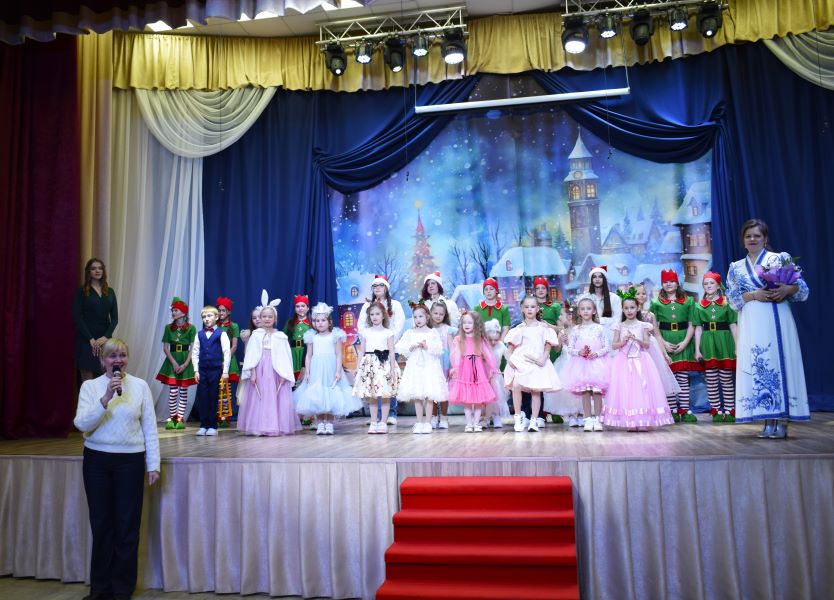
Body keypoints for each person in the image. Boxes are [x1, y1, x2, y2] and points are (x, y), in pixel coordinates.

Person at [73, 338, 160, 600]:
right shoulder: (90, 387)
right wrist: (105, 398)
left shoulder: (140, 386)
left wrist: (153, 464)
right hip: (97, 462)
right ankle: (100, 589)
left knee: (127, 526)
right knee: (101, 525)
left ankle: (122, 590)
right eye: (112, 356)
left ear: (127, 359)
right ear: (103, 361)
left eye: (122, 355)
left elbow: (149, 427)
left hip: (130, 461)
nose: (117, 360)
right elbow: (82, 424)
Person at [726, 218, 810, 438]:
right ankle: (767, 418)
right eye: (748, 236)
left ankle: (782, 419)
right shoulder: (736, 267)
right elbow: (732, 300)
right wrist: (754, 294)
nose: (752, 239)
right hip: (752, 322)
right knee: (759, 363)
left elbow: (802, 290)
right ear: (743, 240)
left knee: (779, 361)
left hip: (777, 318)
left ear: (765, 239)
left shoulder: (779, 259)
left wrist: (787, 289)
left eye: (757, 235)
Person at [601, 290, 675, 431]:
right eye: (626, 308)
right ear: (622, 310)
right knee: (627, 390)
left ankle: (643, 421)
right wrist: (623, 341)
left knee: (642, 389)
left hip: (641, 360)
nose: (629, 311)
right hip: (623, 362)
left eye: (632, 307)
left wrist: (637, 339)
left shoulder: (643, 325)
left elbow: (646, 345)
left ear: (637, 308)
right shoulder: (619, 326)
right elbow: (614, 345)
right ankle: (630, 421)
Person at [294, 302, 361, 435]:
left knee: (331, 396)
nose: (320, 323)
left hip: (331, 368)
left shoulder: (335, 336)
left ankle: (329, 424)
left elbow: (338, 354)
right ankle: (320, 424)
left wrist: (338, 371)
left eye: (323, 320)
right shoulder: (312, 336)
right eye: (317, 321)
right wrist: (307, 372)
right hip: (316, 369)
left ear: (329, 322)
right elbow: (308, 356)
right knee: (318, 396)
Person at [239, 292, 299, 436]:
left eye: (270, 316)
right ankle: (259, 426)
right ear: (260, 318)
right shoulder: (256, 335)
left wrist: (284, 373)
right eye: (264, 316)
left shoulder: (280, 336)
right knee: (260, 397)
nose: (267, 319)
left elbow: (285, 357)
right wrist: (252, 372)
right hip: (260, 369)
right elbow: (251, 356)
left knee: (274, 397)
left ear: (275, 319)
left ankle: (273, 425)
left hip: (275, 370)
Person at [650, 269, 702, 423]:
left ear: (677, 283)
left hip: (683, 339)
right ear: (662, 284)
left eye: (671, 281)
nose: (668, 284)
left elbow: (692, 324)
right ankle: (672, 409)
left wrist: (685, 343)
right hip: (665, 340)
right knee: (668, 377)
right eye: (665, 282)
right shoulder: (656, 302)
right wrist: (663, 344)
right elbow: (654, 327)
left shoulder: (688, 301)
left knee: (683, 377)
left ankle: (685, 409)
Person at [504, 296, 562, 432]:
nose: (530, 309)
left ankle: (534, 420)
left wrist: (544, 357)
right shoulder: (518, 328)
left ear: (537, 309)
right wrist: (511, 360)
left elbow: (547, 345)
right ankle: (518, 417)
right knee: (516, 385)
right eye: (527, 307)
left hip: (537, 362)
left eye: (532, 306)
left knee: (536, 390)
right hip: (521, 362)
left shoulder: (543, 327)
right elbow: (510, 349)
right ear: (522, 309)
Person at [558, 296, 611, 432]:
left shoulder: (599, 328)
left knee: (597, 391)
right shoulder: (576, 329)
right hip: (581, 364)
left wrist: (597, 353)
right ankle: (587, 419)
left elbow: (607, 347)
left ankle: (597, 419)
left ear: (594, 311)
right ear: (579, 312)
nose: (586, 311)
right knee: (585, 391)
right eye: (582, 309)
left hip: (597, 363)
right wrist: (579, 352)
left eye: (588, 308)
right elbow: (570, 349)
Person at [357, 275, 405, 425]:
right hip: (371, 349)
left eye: (380, 285)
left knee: (388, 381)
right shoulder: (367, 306)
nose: (377, 288)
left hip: (389, 347)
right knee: (373, 382)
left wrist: (388, 341)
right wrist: (370, 338)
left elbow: (399, 325)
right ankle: (376, 417)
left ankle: (391, 414)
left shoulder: (395, 305)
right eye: (375, 286)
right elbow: (361, 326)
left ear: (386, 288)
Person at [395, 302, 447, 434]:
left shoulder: (432, 332)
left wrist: (427, 346)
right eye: (415, 317)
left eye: (421, 316)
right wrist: (411, 347)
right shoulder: (410, 333)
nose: (418, 319)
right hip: (415, 367)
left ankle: (428, 422)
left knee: (429, 395)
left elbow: (439, 349)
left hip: (429, 366)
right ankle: (418, 422)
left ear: (427, 317)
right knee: (417, 395)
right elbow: (400, 347)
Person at [693, 272, 738, 423]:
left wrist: (737, 346)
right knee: (711, 379)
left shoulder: (726, 303)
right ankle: (716, 410)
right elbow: (698, 328)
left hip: (724, 341)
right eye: (706, 283)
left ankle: (730, 410)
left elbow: (733, 325)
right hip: (708, 342)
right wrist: (697, 350)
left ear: (718, 285)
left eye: (711, 283)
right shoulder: (699, 306)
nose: (708, 286)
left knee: (726, 378)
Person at [352, 301, 400, 434]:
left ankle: (383, 422)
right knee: (372, 396)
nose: (375, 317)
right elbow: (361, 351)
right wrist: (358, 367)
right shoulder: (365, 332)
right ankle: (373, 422)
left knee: (385, 395)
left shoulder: (388, 332)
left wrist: (392, 368)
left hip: (384, 364)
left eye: (377, 314)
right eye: (372, 314)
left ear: (383, 315)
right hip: (369, 365)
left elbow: (392, 351)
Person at [448, 311, 498, 432]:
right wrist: (455, 367)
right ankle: (469, 424)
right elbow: (455, 354)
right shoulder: (459, 339)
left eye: (470, 322)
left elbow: (488, 354)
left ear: (476, 324)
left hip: (478, 371)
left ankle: (476, 423)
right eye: (464, 322)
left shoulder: (480, 339)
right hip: (465, 370)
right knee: (467, 400)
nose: (466, 325)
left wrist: (493, 367)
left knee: (478, 400)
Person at [73, 258, 118, 381]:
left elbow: (115, 319)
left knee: (105, 378)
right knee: (88, 382)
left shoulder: (110, 292)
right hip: (86, 341)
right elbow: (78, 317)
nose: (97, 271)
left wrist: (106, 337)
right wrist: (90, 339)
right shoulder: (81, 291)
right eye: (93, 268)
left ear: (103, 271)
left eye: (100, 268)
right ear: (88, 272)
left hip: (105, 340)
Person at [155, 297, 197, 431]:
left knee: (183, 391)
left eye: (176, 310)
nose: (173, 312)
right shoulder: (168, 328)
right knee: (173, 392)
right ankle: (172, 417)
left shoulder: (191, 328)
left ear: (184, 313)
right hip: (172, 360)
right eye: (172, 310)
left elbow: (193, 348)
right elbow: (165, 348)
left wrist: (185, 364)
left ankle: (180, 418)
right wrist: (173, 362)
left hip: (185, 360)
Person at [635, 283, 682, 399]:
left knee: (652, 377)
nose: (641, 296)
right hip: (635, 347)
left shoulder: (650, 315)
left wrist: (664, 354)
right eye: (638, 293)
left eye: (643, 293)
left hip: (651, 348)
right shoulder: (630, 314)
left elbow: (657, 335)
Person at [191, 305, 231, 436]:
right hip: (202, 370)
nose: (206, 319)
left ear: (216, 317)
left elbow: (227, 353)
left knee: (213, 396)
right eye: (204, 317)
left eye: (209, 316)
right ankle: (203, 425)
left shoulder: (221, 333)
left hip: (215, 370)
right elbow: (195, 353)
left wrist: (225, 371)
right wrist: (196, 370)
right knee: (203, 397)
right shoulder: (199, 334)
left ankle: (213, 426)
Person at [428, 301, 456, 430]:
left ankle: (444, 417)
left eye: (441, 314)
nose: (438, 316)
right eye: (435, 313)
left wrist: (453, 365)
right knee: (432, 391)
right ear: (430, 313)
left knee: (444, 391)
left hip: (444, 363)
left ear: (445, 315)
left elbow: (452, 349)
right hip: (431, 362)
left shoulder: (447, 329)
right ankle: (433, 417)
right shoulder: (428, 329)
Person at [216, 296, 240, 427]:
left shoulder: (233, 326)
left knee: (227, 389)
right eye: (219, 310)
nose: (221, 313)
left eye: (223, 310)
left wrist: (226, 360)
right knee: (217, 388)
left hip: (228, 359)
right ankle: (218, 414)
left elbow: (234, 346)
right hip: (215, 358)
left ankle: (225, 416)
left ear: (229, 312)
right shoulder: (214, 325)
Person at [484, 318, 510, 428]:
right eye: (490, 340)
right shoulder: (483, 345)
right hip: (484, 376)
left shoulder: (501, 346)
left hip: (496, 376)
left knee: (497, 397)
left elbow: (509, 358)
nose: (493, 342)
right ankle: (485, 418)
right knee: (485, 399)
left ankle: (496, 417)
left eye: (496, 340)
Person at [284, 294, 312, 382]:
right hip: (293, 352)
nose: (300, 308)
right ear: (295, 309)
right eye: (297, 306)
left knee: (306, 375)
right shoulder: (290, 323)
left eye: (303, 306)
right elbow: (284, 339)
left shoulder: (312, 323)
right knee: (294, 375)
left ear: (308, 308)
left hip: (307, 352)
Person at [588, 265, 621, 338]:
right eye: (594, 277)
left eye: (600, 276)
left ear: (604, 279)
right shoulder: (586, 298)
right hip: (590, 335)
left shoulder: (614, 298)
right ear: (591, 280)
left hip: (609, 335)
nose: (597, 279)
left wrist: (601, 320)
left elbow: (618, 319)